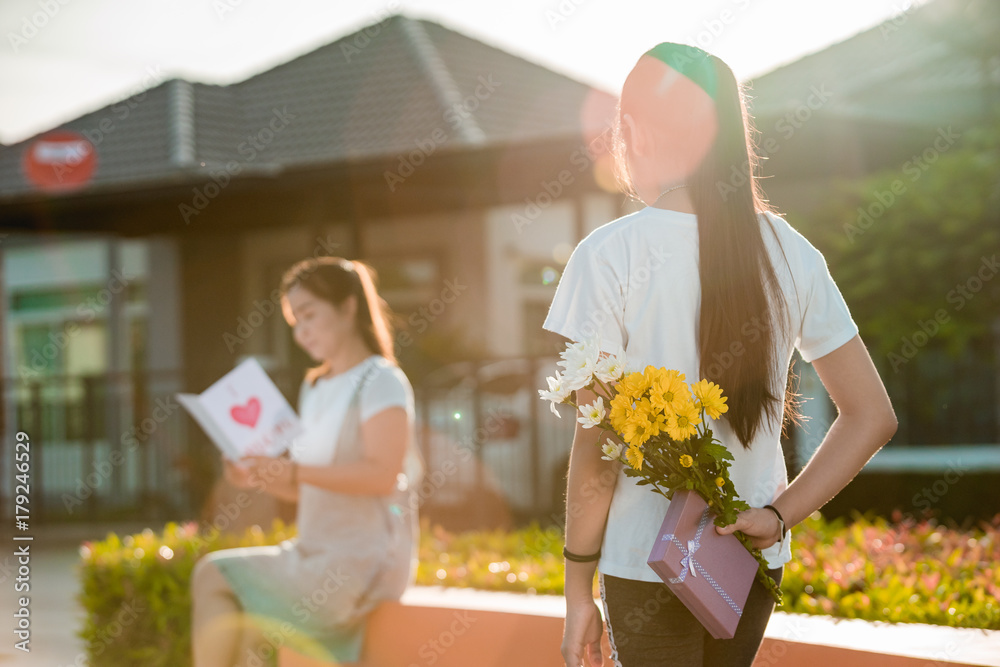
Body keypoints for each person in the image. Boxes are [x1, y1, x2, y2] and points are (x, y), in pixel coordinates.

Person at [542, 43, 898, 667]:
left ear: (634, 132)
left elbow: (595, 448)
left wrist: (577, 593)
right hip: (748, 555)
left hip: (642, 561)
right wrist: (778, 516)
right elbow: (872, 415)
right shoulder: (791, 252)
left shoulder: (608, 255)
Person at [190, 256, 423, 667]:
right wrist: (259, 476)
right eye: (294, 321)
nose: (301, 332)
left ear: (349, 306)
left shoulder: (380, 380)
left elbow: (384, 475)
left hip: (362, 561)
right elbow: (308, 487)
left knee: (214, 577)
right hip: (311, 553)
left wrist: (293, 470)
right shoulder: (314, 386)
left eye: (309, 315)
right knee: (241, 625)